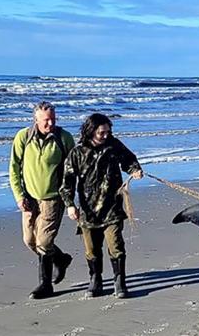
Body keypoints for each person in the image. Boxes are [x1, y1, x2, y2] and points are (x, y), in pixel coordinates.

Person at [61, 113, 143, 298]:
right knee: (91, 249)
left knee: (116, 245)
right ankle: (95, 279)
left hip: (112, 207)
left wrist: (135, 169)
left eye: (108, 131)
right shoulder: (77, 152)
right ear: (91, 131)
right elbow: (67, 181)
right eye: (101, 132)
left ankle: (119, 281)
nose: (106, 135)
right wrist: (70, 205)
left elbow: (129, 160)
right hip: (88, 211)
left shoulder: (114, 146)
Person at [8, 101, 76, 299]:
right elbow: (14, 168)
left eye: (53, 119)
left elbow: (72, 170)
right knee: (29, 241)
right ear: (35, 119)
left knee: (44, 242)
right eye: (46, 120)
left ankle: (45, 285)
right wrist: (19, 196)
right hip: (29, 199)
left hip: (53, 199)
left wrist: (70, 199)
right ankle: (61, 259)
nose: (50, 123)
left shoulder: (64, 138)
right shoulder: (23, 137)